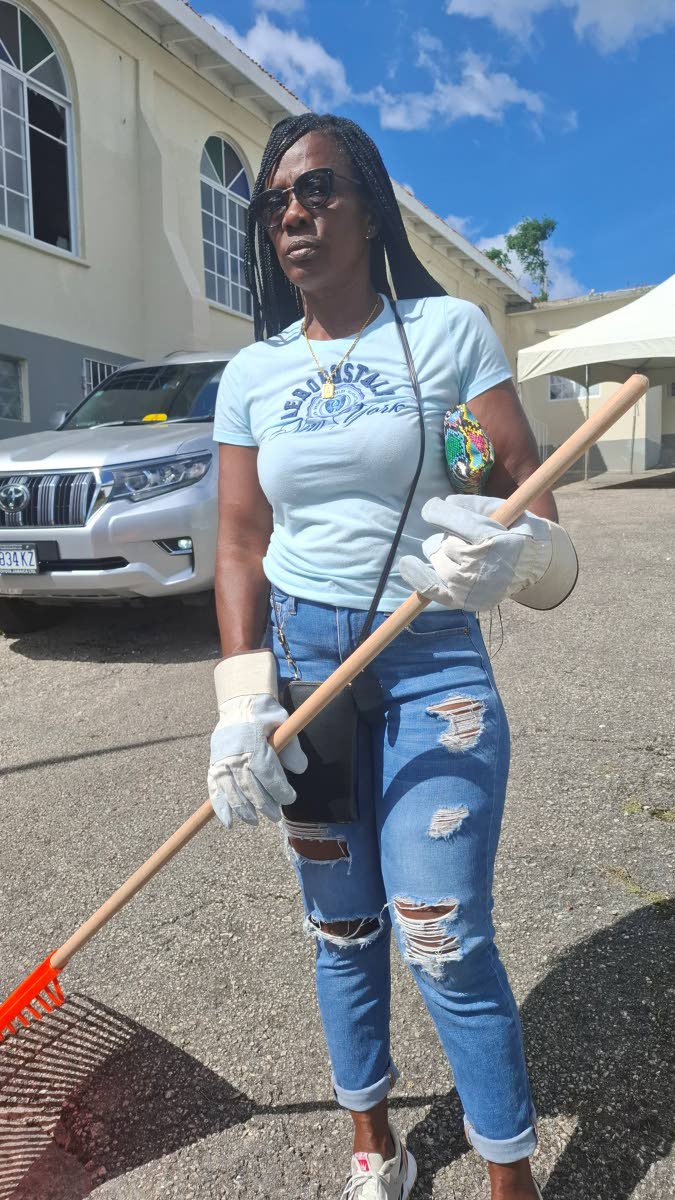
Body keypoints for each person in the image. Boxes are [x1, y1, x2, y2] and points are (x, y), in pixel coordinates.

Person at [208, 113, 577, 1200]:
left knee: (442, 934)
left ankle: (509, 1181)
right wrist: (240, 702)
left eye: (317, 188)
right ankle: (376, 1149)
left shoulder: (448, 333)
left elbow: (530, 506)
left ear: (370, 205)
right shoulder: (252, 373)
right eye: (275, 200)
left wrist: (512, 553)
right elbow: (238, 541)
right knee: (341, 927)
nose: (293, 212)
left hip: (432, 661)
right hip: (306, 671)